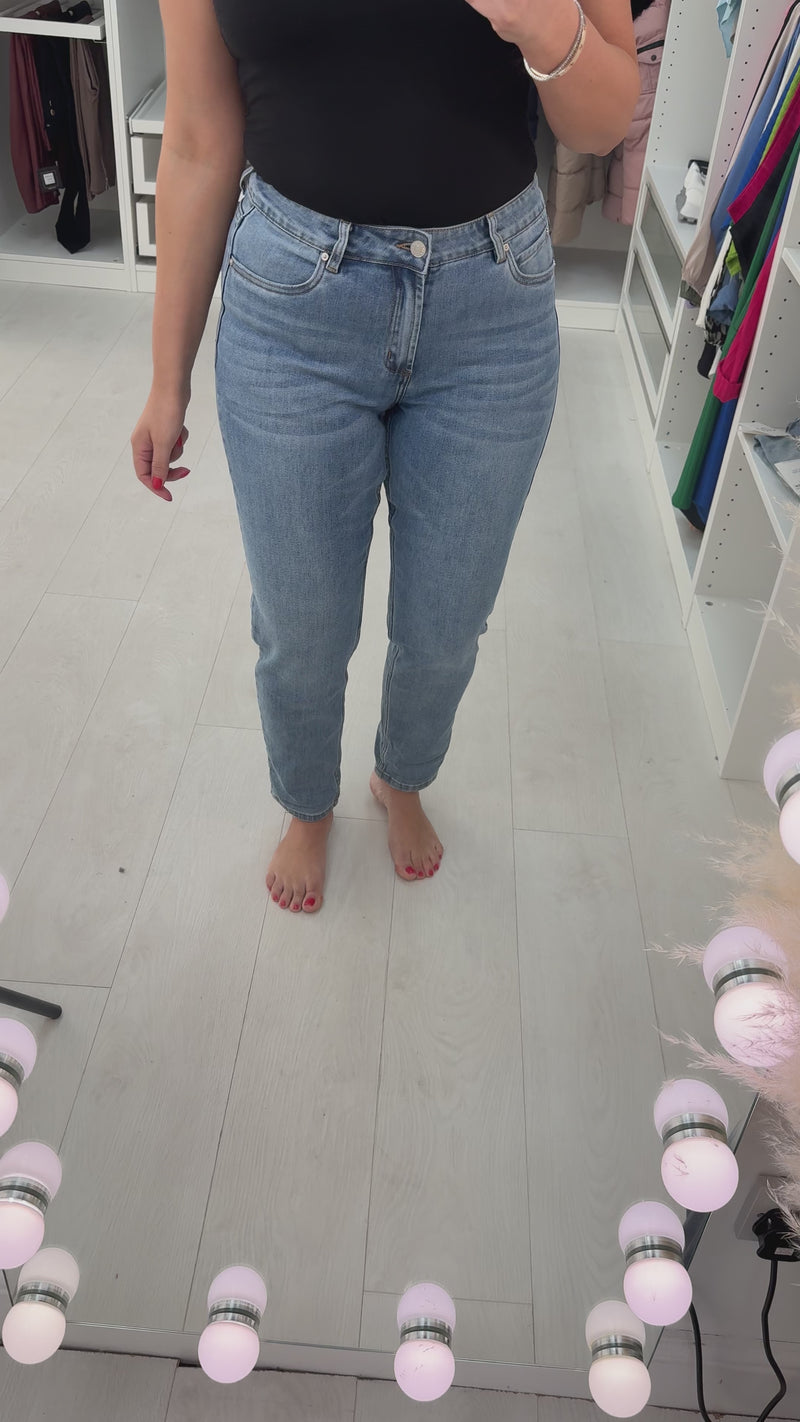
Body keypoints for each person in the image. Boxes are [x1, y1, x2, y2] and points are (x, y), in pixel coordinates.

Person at [131, 0, 639, 915]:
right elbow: (200, 140)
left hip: (492, 306)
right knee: (301, 628)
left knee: (446, 625)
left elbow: (604, 121)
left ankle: (401, 777)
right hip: (293, 305)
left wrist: (536, 18)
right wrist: (168, 379)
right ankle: (307, 804)